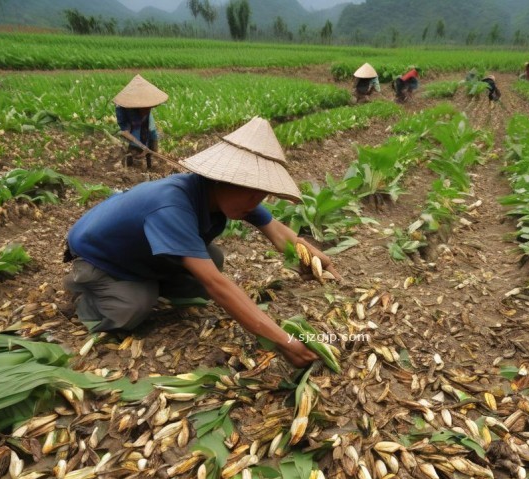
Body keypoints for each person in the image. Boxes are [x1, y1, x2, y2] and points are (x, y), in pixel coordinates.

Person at [63, 117, 339, 369]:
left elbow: (278, 232)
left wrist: (314, 260)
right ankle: (83, 294)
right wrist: (282, 340)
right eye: (252, 193)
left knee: (212, 258)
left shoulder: (233, 196)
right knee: (133, 308)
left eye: (263, 195)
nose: (257, 202)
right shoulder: (172, 206)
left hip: (140, 251)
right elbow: (217, 286)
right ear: (223, 179)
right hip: (102, 257)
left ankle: (145, 283)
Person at [114, 75, 168, 170]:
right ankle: (134, 161)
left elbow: (151, 129)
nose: (148, 110)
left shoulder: (147, 108)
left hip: (142, 124)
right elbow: (125, 131)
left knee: (152, 135)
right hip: (133, 126)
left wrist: (151, 148)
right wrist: (141, 146)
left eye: (149, 108)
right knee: (135, 140)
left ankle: (151, 160)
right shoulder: (122, 109)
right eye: (145, 108)